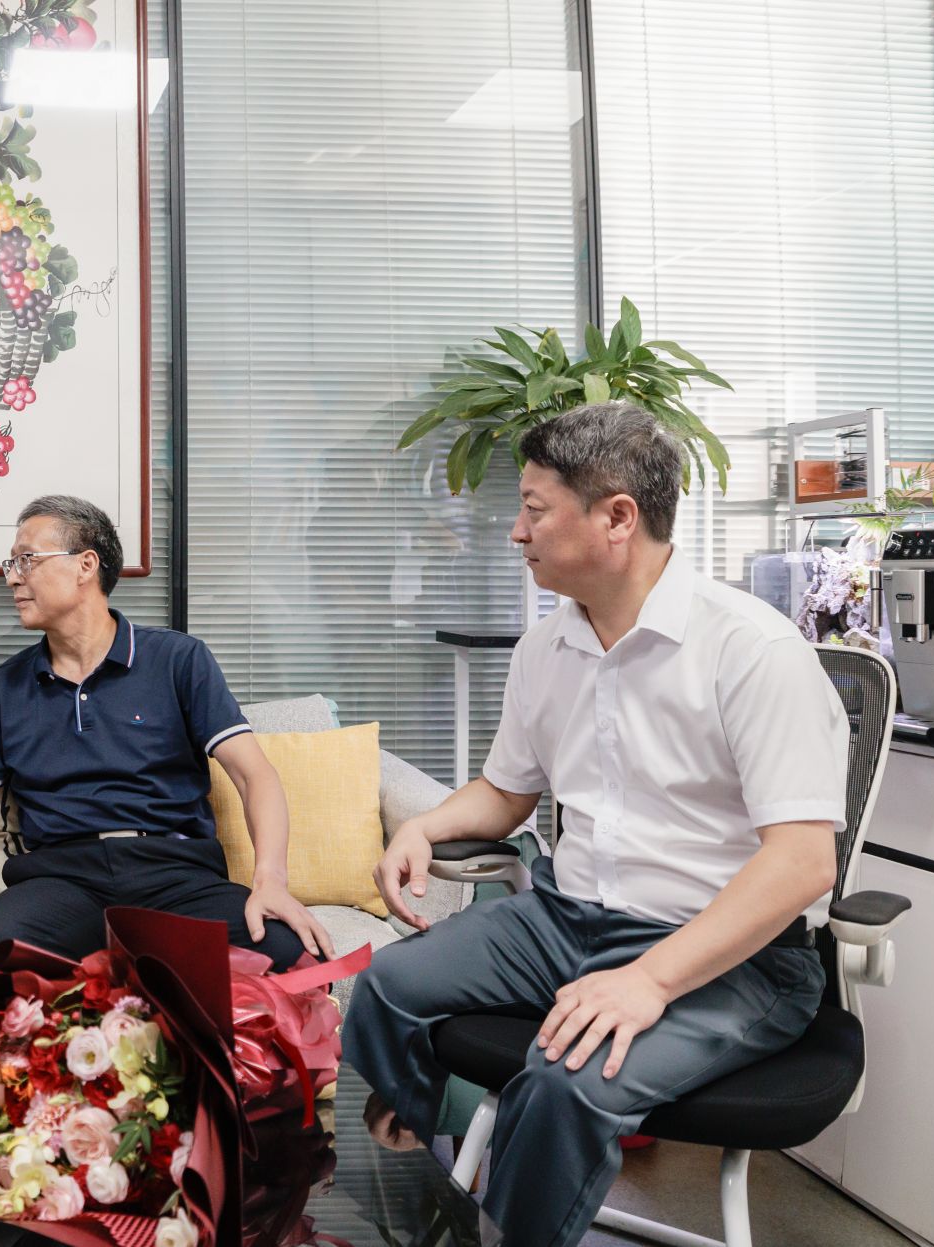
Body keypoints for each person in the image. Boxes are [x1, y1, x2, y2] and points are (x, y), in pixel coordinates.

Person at [342, 402, 847, 1247]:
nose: (516, 531)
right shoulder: (546, 650)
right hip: (566, 918)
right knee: (387, 986)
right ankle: (432, 1197)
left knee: (564, 1081)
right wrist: (422, 827)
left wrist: (649, 979)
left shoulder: (752, 650)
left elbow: (802, 864)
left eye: (534, 509)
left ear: (617, 516)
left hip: (728, 954)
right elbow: (505, 793)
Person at [0, 495, 335, 982]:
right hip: (58, 880)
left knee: (300, 963)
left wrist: (270, 880)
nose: (12, 578)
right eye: (11, 563)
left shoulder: (178, 660)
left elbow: (254, 776)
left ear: (86, 565)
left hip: (175, 874)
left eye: (27, 559)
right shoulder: (3, 688)